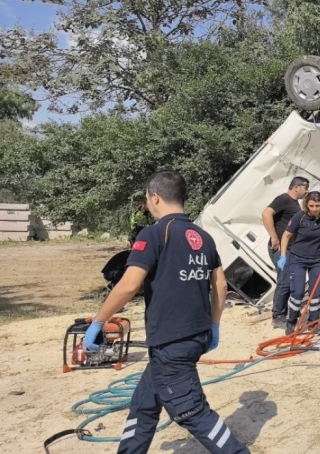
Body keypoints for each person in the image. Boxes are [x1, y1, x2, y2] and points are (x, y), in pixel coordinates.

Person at [83, 171, 248, 453]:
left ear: (154, 197)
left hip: (171, 342)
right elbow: (220, 284)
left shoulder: (154, 233)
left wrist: (98, 322)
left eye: (147, 199)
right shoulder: (204, 236)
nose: (147, 204)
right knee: (145, 404)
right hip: (195, 336)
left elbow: (129, 285)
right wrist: (215, 325)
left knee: (191, 411)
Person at [277, 190, 320, 334]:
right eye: (311, 206)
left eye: (317, 206)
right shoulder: (300, 217)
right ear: (306, 205)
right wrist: (283, 256)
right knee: (297, 292)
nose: (314, 209)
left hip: (318, 260)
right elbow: (286, 236)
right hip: (298, 259)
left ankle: (313, 323)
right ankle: (291, 321)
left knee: (316, 293)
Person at [262, 176, 308, 328]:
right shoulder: (284, 199)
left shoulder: (294, 203)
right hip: (279, 249)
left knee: (291, 281)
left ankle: (287, 311)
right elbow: (266, 213)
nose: (306, 191)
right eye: (305, 187)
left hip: (289, 249)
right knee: (285, 280)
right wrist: (274, 237)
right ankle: (278, 316)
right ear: (297, 187)